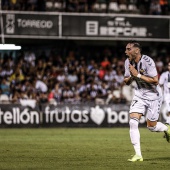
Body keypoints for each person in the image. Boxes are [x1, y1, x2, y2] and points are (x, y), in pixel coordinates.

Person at [123, 40, 170, 162]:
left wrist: (137, 75)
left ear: (136, 50)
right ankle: (138, 155)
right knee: (133, 122)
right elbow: (126, 81)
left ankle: (167, 128)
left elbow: (155, 80)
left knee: (151, 127)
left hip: (154, 95)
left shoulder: (148, 61)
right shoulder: (127, 62)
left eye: (129, 49)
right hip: (139, 95)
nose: (126, 51)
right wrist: (131, 77)